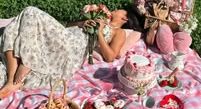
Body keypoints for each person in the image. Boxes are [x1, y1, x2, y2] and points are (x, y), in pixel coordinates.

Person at [0, 6, 132, 99]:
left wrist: (99, 32)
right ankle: (12, 79)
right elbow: (66, 26)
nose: (115, 9)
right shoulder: (100, 17)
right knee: (11, 30)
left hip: (71, 46)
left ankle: (27, 62)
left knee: (30, 11)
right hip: (64, 34)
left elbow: (110, 56)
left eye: (119, 10)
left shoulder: (119, 32)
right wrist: (82, 23)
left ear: (125, 18)